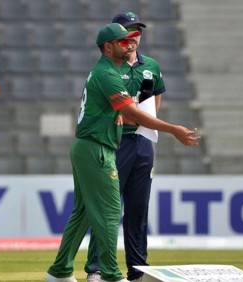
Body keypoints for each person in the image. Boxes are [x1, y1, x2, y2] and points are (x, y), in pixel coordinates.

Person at [45, 23, 200, 282]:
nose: (129, 44)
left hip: (89, 146)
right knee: (109, 212)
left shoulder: (108, 71)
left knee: (83, 213)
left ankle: (60, 271)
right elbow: (131, 113)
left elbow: (128, 112)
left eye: (131, 40)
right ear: (108, 47)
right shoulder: (108, 73)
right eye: (122, 41)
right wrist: (174, 129)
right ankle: (111, 274)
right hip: (96, 147)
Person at [85, 11, 164, 282]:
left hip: (142, 141)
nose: (134, 37)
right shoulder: (109, 66)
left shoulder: (151, 64)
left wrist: (148, 126)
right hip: (114, 142)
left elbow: (155, 100)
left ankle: (138, 269)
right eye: (128, 32)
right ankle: (96, 268)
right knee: (107, 209)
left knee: (138, 208)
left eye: (137, 32)